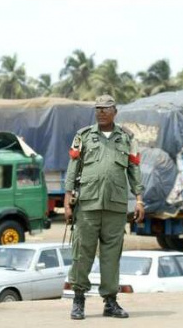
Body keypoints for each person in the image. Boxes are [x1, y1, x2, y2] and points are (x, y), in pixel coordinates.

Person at [64, 94, 145, 320]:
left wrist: (139, 199)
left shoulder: (127, 138)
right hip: (87, 205)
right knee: (82, 253)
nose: (101, 112)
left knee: (111, 256)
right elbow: (72, 169)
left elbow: (134, 170)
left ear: (115, 112)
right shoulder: (83, 136)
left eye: (106, 108)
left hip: (115, 207)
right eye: (98, 108)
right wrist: (67, 200)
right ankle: (78, 300)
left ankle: (110, 302)